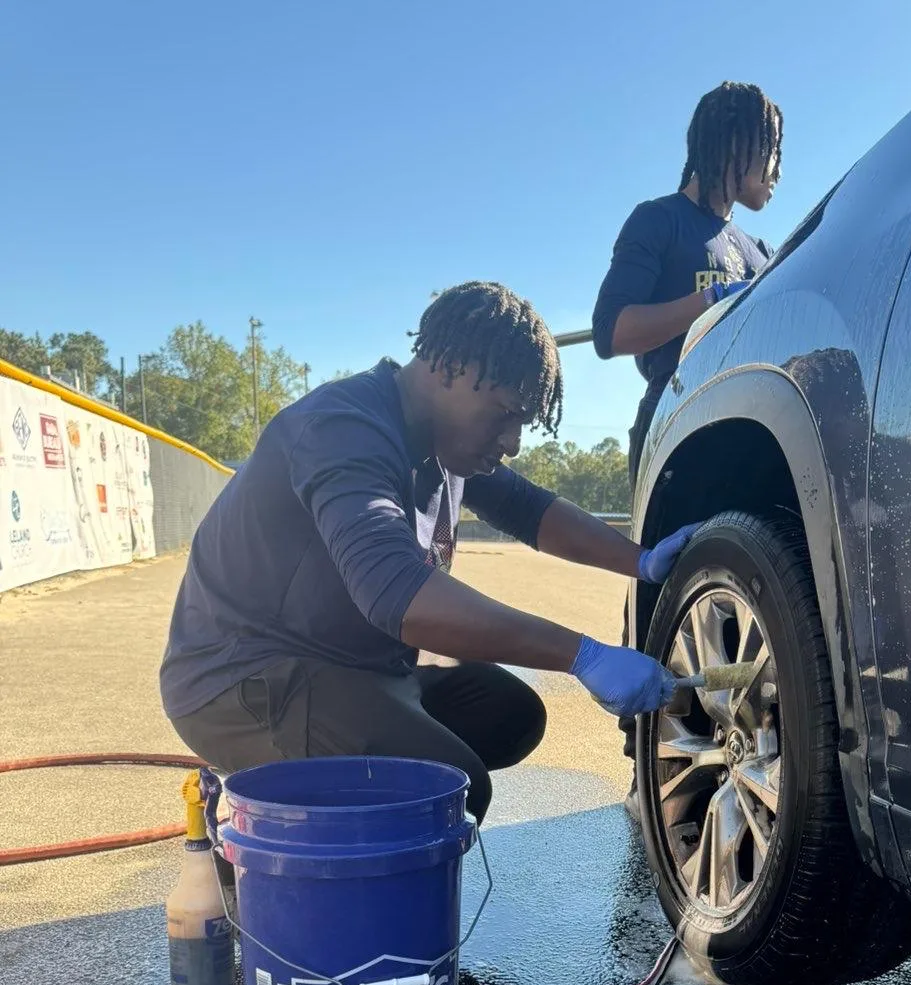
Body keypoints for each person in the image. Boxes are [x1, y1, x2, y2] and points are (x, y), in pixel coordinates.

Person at [160, 282, 699, 823]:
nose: (513, 441)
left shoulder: (441, 439)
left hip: (349, 663)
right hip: (245, 679)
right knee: (448, 794)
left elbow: (529, 509)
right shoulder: (343, 430)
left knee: (510, 717)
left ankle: (342, 782)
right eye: (506, 413)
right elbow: (394, 593)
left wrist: (640, 560)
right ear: (451, 369)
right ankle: (287, 828)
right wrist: (582, 655)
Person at [590, 81, 783, 799]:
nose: (776, 169)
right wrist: (705, 300)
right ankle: (646, 758)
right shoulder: (660, 222)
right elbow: (612, 331)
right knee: (663, 588)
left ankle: (738, 741)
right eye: (769, 150)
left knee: (736, 594)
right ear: (732, 144)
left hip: (746, 436)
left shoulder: (758, 250)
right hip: (674, 428)